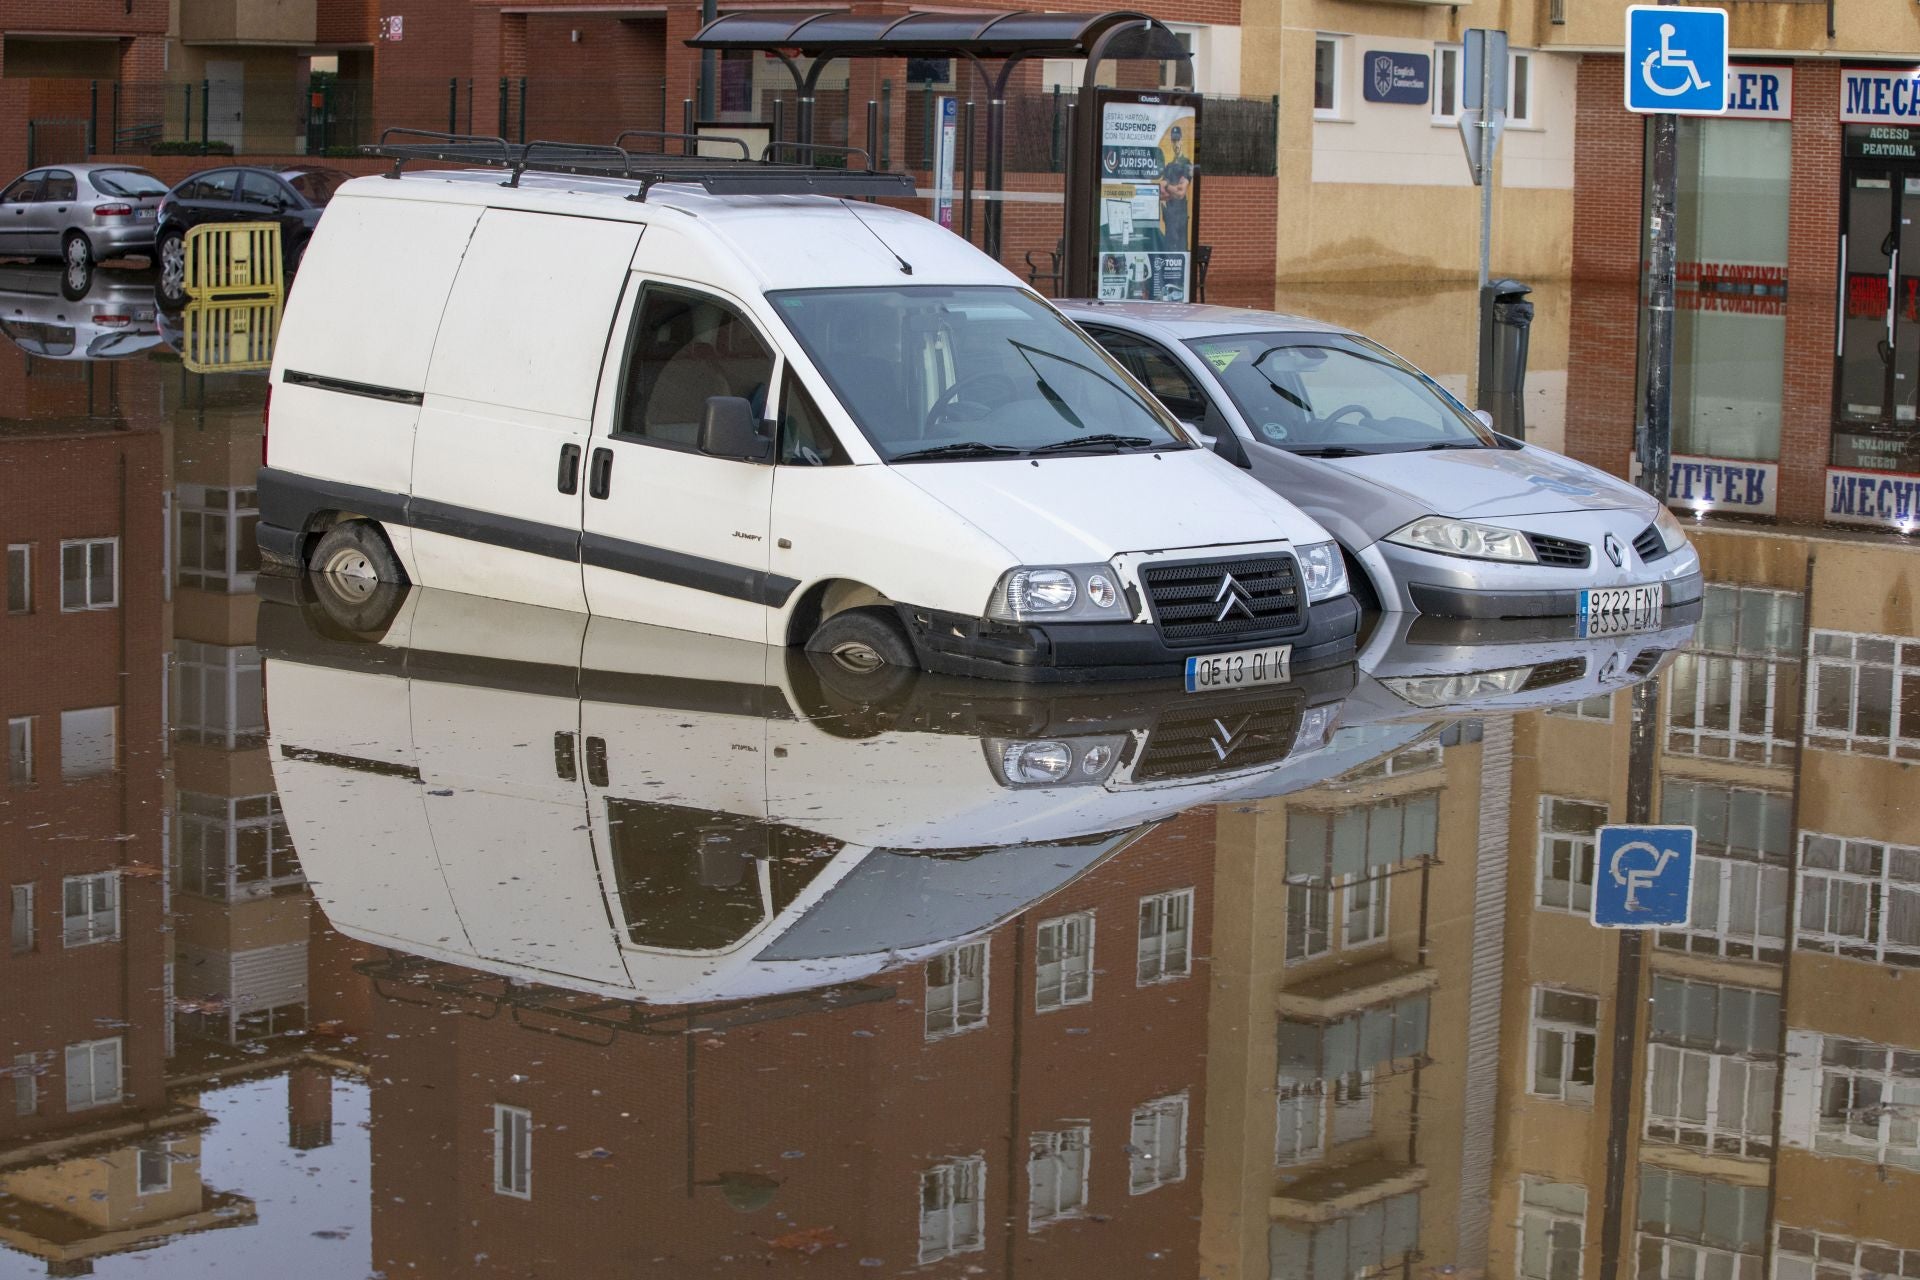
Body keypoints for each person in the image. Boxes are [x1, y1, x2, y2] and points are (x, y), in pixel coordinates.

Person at [1158, 124, 1193, 251]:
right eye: (1174, 140)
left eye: (1178, 139)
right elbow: (1161, 194)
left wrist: (1167, 185)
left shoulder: (1188, 165)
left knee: (1181, 253)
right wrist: (1174, 188)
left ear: (1182, 140)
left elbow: (1181, 193)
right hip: (1169, 221)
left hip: (1181, 222)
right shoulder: (1168, 167)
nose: (1176, 143)